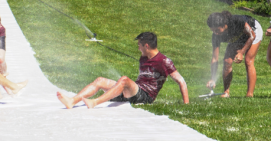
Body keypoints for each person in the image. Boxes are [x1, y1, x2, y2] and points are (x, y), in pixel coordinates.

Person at [57, 32, 189, 109]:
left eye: (139, 46)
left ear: (147, 46)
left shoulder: (164, 61)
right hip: (134, 93)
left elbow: (181, 81)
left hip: (145, 96)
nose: (138, 48)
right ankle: (72, 101)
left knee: (124, 79)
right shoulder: (143, 57)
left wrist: (186, 105)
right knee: (100, 80)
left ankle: (94, 102)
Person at [206, 11, 263, 98]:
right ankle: (226, 92)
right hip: (238, 37)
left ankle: (249, 95)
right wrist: (212, 78)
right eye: (213, 31)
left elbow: (252, 36)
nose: (216, 33)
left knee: (248, 60)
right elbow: (215, 58)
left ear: (225, 25)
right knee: (227, 61)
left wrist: (241, 52)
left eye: (217, 30)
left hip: (253, 31)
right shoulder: (216, 35)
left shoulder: (236, 21)